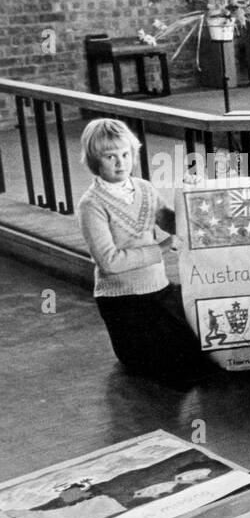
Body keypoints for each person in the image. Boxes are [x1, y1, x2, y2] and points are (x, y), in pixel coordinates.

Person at [76, 118, 206, 382]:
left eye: (125, 154)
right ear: (94, 160)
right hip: (122, 300)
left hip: (159, 289)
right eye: (109, 156)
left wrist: (191, 193)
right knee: (167, 370)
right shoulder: (91, 204)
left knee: (202, 355)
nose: (120, 162)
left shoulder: (145, 188)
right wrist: (160, 248)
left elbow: (172, 223)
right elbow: (109, 262)